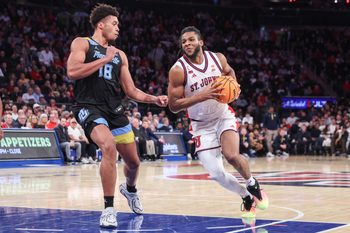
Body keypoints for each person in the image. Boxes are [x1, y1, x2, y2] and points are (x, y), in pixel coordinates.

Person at [66, 3, 168, 228]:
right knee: (108, 146)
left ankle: (130, 190)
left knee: (134, 163)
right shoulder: (82, 43)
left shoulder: (120, 54)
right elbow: (72, 72)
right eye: (114, 24)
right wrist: (103, 58)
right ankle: (109, 209)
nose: (118, 28)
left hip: (115, 110)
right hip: (89, 106)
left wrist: (154, 98)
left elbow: (130, 91)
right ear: (100, 25)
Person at [167, 26, 268, 218]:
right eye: (184, 41)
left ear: (201, 42)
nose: (187, 43)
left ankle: (252, 182)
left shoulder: (218, 58)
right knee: (217, 174)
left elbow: (230, 72)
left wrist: (234, 88)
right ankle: (246, 196)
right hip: (200, 124)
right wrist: (201, 95)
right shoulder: (178, 70)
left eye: (191, 40)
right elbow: (173, 106)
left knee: (231, 155)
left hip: (222, 115)